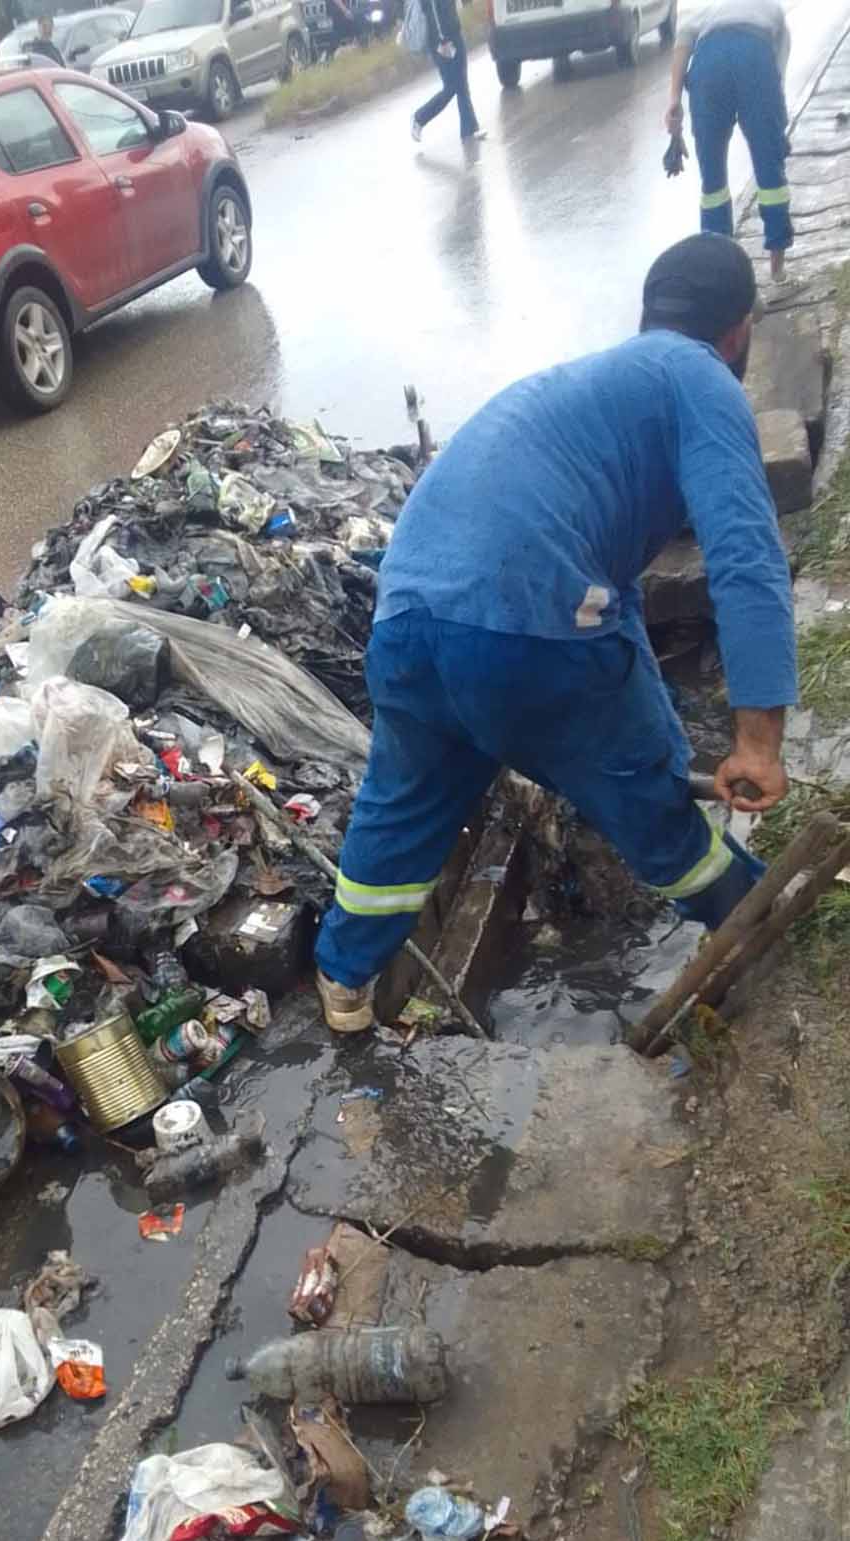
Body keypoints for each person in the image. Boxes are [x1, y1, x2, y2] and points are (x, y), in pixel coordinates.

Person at [314, 234, 796, 1033]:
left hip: (405, 624)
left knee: (401, 813)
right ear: (739, 331)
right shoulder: (698, 377)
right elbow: (746, 559)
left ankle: (343, 990)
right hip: (525, 629)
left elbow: (618, 598)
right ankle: (759, 925)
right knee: (650, 802)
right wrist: (757, 743)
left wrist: (653, 722)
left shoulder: (582, 390)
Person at [666, 1, 792, 282]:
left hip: (708, 64)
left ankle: (720, 274)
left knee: (713, 183)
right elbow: (777, 77)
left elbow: (683, 42)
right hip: (755, 57)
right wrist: (776, 130)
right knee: (769, 168)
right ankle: (777, 270)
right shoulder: (772, 10)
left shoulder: (704, 7)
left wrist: (674, 101)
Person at [411, 0, 484, 146]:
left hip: (451, 35)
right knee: (453, 87)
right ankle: (420, 117)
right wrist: (443, 40)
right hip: (444, 41)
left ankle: (469, 130)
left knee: (461, 85)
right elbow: (434, 13)